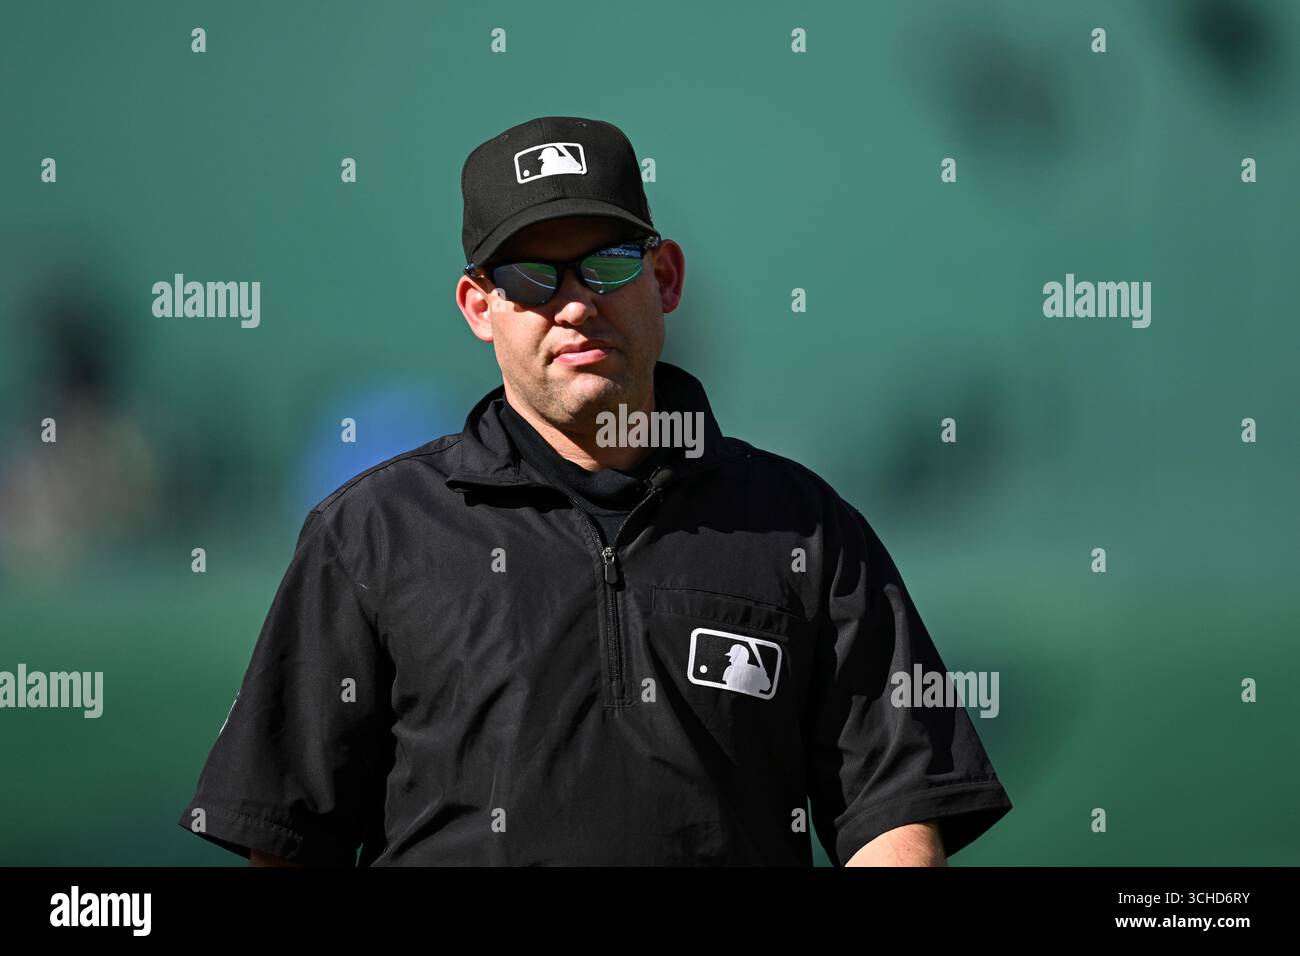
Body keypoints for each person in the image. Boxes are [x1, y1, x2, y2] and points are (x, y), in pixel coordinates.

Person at [177, 115, 1012, 867]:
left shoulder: (802, 527)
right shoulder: (369, 536)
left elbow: (893, 815)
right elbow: (290, 839)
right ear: (479, 305)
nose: (575, 305)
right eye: (533, 277)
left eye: (608, 265)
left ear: (667, 279)